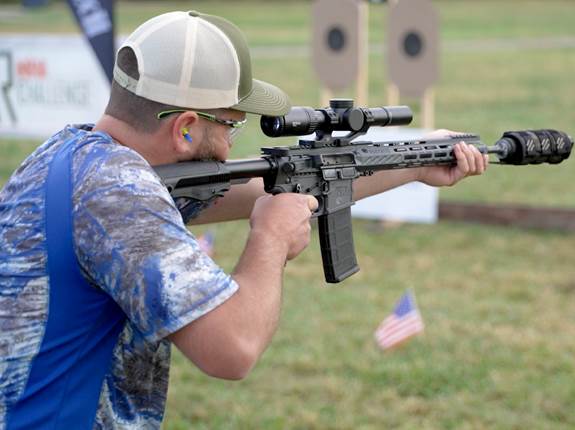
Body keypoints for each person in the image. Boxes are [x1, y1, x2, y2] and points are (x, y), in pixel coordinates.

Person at [0, 10, 487, 429]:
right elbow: (233, 348)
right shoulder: (121, 195)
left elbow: (256, 187)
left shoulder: (77, 156)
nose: (234, 143)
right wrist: (269, 240)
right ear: (186, 128)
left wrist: (415, 165)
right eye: (232, 125)